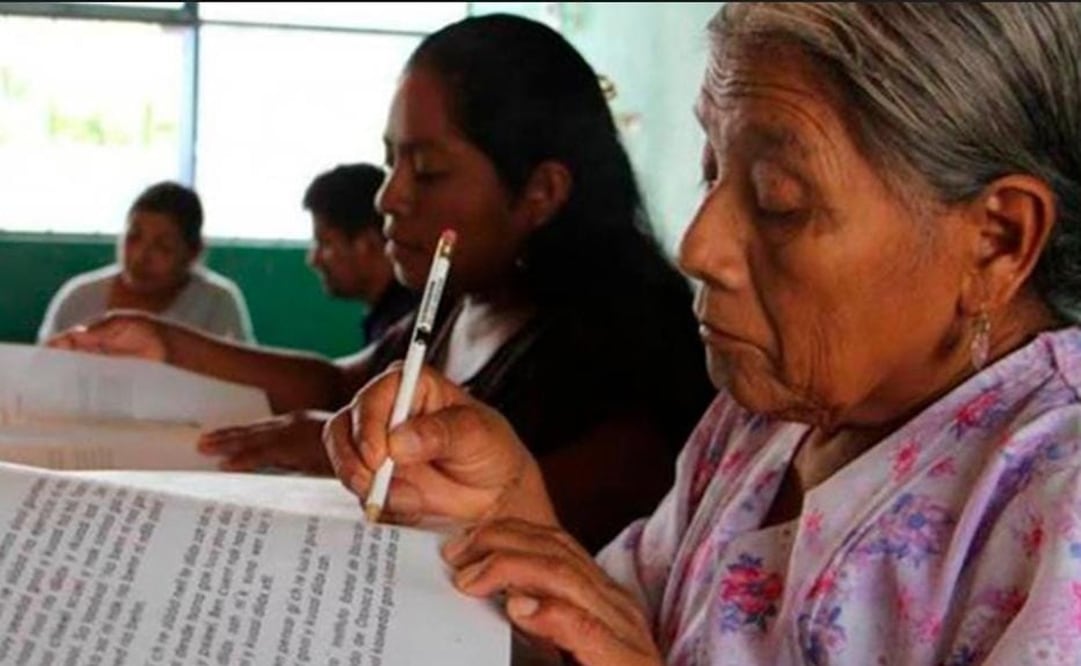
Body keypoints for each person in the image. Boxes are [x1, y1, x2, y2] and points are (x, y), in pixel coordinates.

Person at [326, 3, 1081, 663]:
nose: (696, 246)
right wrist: (511, 517)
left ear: (997, 241)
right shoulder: (757, 423)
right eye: (709, 170)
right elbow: (625, 631)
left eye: (777, 203)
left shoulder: (1054, 508)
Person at [48, 14, 714, 553]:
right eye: (390, 159)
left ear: (539, 191)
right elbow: (343, 386)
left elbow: (528, 530)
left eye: (425, 171)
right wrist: (169, 345)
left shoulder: (626, 349)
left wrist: (353, 465)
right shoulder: (471, 298)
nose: (389, 198)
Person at [37, 181, 253, 343]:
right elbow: (41, 375)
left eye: (163, 247)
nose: (141, 256)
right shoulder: (79, 297)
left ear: (193, 253)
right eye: (133, 237)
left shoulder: (217, 303)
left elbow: (241, 384)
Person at [304, 163, 418, 345]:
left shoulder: (411, 326)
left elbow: (339, 375)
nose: (313, 260)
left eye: (325, 243)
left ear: (367, 242)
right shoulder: (387, 318)